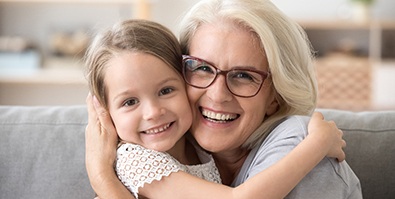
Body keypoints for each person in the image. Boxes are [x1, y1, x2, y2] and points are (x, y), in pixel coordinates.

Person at [86, 0, 362, 198]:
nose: (217, 95)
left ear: (275, 98)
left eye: (243, 75)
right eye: (202, 68)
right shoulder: (141, 160)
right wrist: (102, 177)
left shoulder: (197, 153)